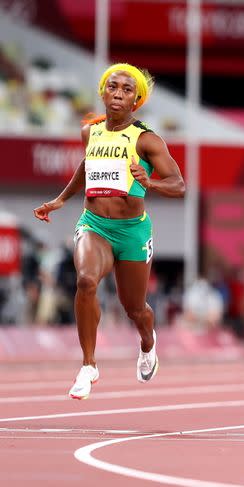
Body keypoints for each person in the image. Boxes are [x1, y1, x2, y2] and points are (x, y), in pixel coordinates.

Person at [33, 63, 185, 399]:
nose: (117, 94)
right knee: (86, 280)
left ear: (137, 101)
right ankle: (88, 365)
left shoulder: (147, 140)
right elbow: (86, 166)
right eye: (112, 87)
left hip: (132, 232)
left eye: (126, 90)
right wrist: (60, 200)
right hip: (95, 224)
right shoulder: (90, 132)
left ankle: (148, 343)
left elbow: (179, 185)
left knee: (136, 310)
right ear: (103, 92)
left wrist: (151, 182)